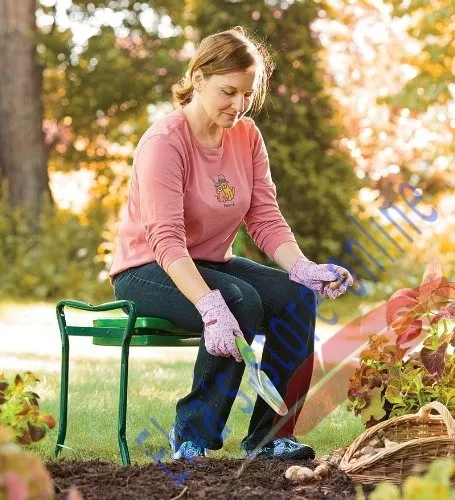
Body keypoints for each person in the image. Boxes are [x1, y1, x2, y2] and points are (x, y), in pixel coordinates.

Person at [109, 26, 353, 461]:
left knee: (297, 298)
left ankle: (270, 437)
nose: (238, 106)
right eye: (228, 91)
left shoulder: (246, 136)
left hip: (211, 262)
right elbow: (165, 241)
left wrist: (302, 267)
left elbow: (264, 216)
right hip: (148, 271)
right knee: (236, 299)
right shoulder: (165, 142)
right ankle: (192, 437)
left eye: (247, 94)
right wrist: (208, 304)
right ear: (198, 79)